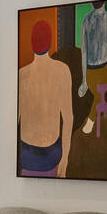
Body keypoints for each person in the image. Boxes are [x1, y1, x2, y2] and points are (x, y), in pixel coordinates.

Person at [17, 19, 73, 176]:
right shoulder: (62, 70)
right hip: (51, 153)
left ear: (32, 44)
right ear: (50, 43)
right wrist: (65, 158)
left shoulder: (22, 74)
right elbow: (68, 118)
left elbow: (16, 120)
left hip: (26, 154)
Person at [76, 0, 107, 137]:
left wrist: (84, 81)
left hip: (91, 75)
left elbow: (84, 52)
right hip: (106, 74)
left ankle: (91, 120)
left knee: (98, 93)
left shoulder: (86, 21)